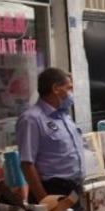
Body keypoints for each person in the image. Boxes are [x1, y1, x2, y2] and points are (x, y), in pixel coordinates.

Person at [16, 67, 82, 199]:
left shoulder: (64, 116)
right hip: (51, 190)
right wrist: (45, 201)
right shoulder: (32, 119)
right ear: (56, 88)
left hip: (73, 189)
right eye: (69, 88)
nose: (71, 93)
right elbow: (27, 164)